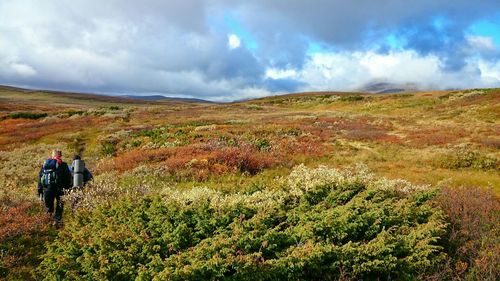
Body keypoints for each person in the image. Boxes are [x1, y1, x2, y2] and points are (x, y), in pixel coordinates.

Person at [38, 149, 72, 227]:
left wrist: (40, 190)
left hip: (47, 189)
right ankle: (57, 222)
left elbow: (40, 178)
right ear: (60, 155)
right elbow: (68, 178)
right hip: (60, 189)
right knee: (59, 206)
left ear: (52, 155)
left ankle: (48, 223)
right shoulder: (63, 165)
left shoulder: (45, 165)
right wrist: (67, 189)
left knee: (48, 207)